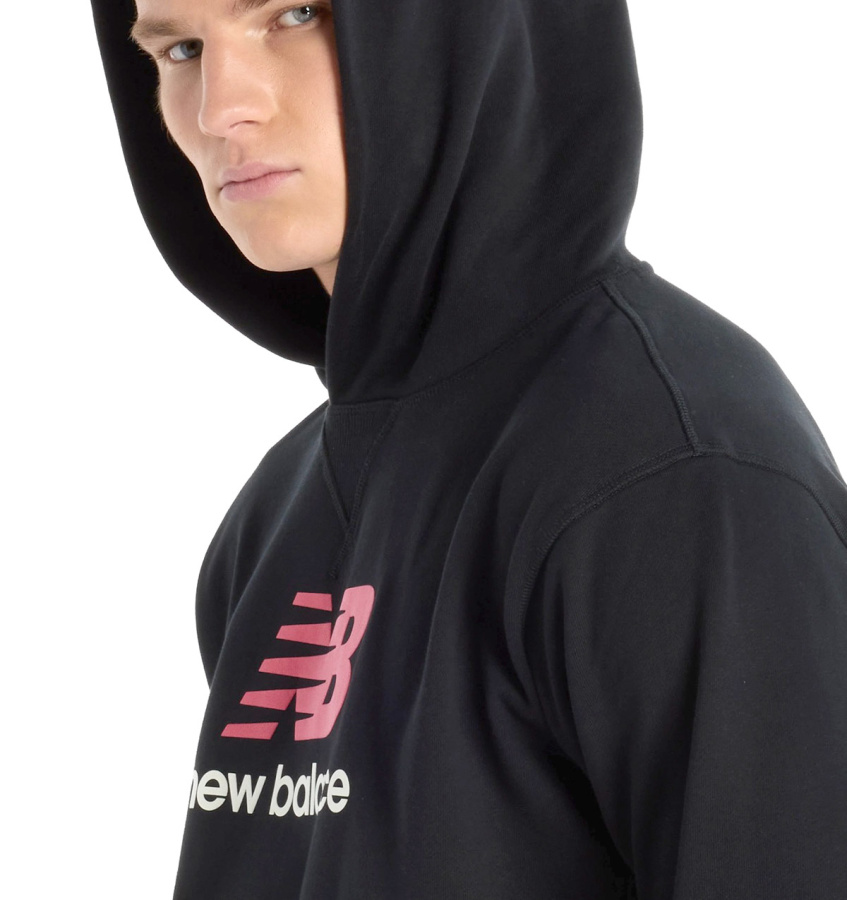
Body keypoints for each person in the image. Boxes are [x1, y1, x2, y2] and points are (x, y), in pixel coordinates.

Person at [91, 0, 847, 896]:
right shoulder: (272, 520)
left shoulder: (675, 478)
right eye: (181, 48)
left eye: (295, 14)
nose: (221, 108)